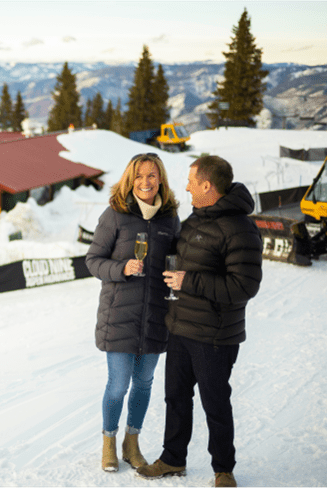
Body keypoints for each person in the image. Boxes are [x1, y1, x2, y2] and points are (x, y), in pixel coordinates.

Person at [136, 156, 263, 488]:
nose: (187, 186)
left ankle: (224, 470)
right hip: (180, 327)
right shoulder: (195, 218)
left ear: (208, 186)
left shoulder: (240, 228)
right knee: (175, 398)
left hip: (215, 335)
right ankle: (173, 459)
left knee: (215, 404)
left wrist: (187, 281)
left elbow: (244, 287)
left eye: (192, 181)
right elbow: (183, 259)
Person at [85, 153, 181, 473]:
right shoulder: (115, 215)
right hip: (119, 315)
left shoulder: (170, 219)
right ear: (130, 179)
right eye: (139, 176)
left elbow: (178, 259)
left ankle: (132, 443)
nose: (145, 182)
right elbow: (93, 261)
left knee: (144, 384)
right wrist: (121, 268)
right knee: (118, 385)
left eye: (152, 176)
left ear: (161, 180)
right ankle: (109, 443)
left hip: (156, 316)